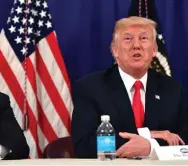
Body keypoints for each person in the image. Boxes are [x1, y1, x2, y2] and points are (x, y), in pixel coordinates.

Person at [71, 16, 188, 158]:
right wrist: (146, 135)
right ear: (115, 50)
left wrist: (151, 147)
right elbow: (84, 145)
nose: (136, 45)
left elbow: (183, 142)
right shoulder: (90, 87)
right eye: (128, 39)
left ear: (154, 50)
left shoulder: (172, 89)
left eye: (144, 38)